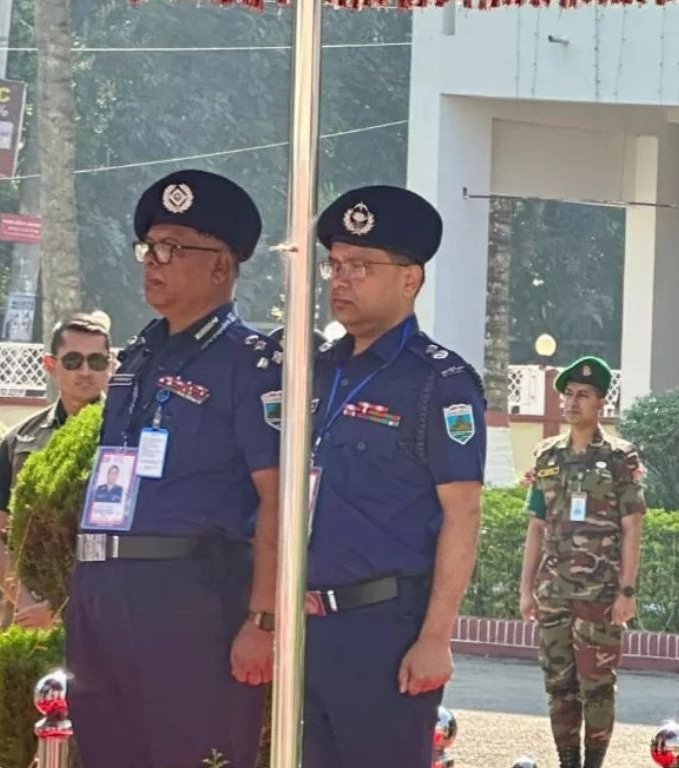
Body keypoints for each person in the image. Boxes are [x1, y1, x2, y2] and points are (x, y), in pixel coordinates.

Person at [64, 169, 281, 768]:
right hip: (105, 591)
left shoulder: (251, 363)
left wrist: (263, 618)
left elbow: (278, 499)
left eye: (172, 249)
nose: (152, 262)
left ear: (221, 265)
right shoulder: (139, 354)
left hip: (190, 596)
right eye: (149, 247)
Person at [303, 185, 486, 768]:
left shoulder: (439, 383)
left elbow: (462, 513)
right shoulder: (313, 370)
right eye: (335, 264)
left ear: (410, 279)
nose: (341, 279)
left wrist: (436, 637)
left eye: (360, 266)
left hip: (382, 630)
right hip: (301, 627)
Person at [519, 356, 644, 768]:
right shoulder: (547, 455)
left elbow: (632, 527)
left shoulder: (620, 457)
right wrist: (526, 589)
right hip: (554, 592)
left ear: (601, 402)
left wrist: (627, 591)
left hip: (600, 595)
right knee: (559, 686)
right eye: (569, 394)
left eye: (583, 395)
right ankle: (568, 761)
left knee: (597, 688)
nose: (573, 402)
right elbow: (536, 526)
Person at [0, 314, 112, 629]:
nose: (85, 371)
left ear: (110, 365)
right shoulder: (20, 441)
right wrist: (28, 605)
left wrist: (65, 610)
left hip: (104, 618)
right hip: (27, 617)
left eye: (96, 361)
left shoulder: (129, 438)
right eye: (73, 361)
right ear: (50, 364)